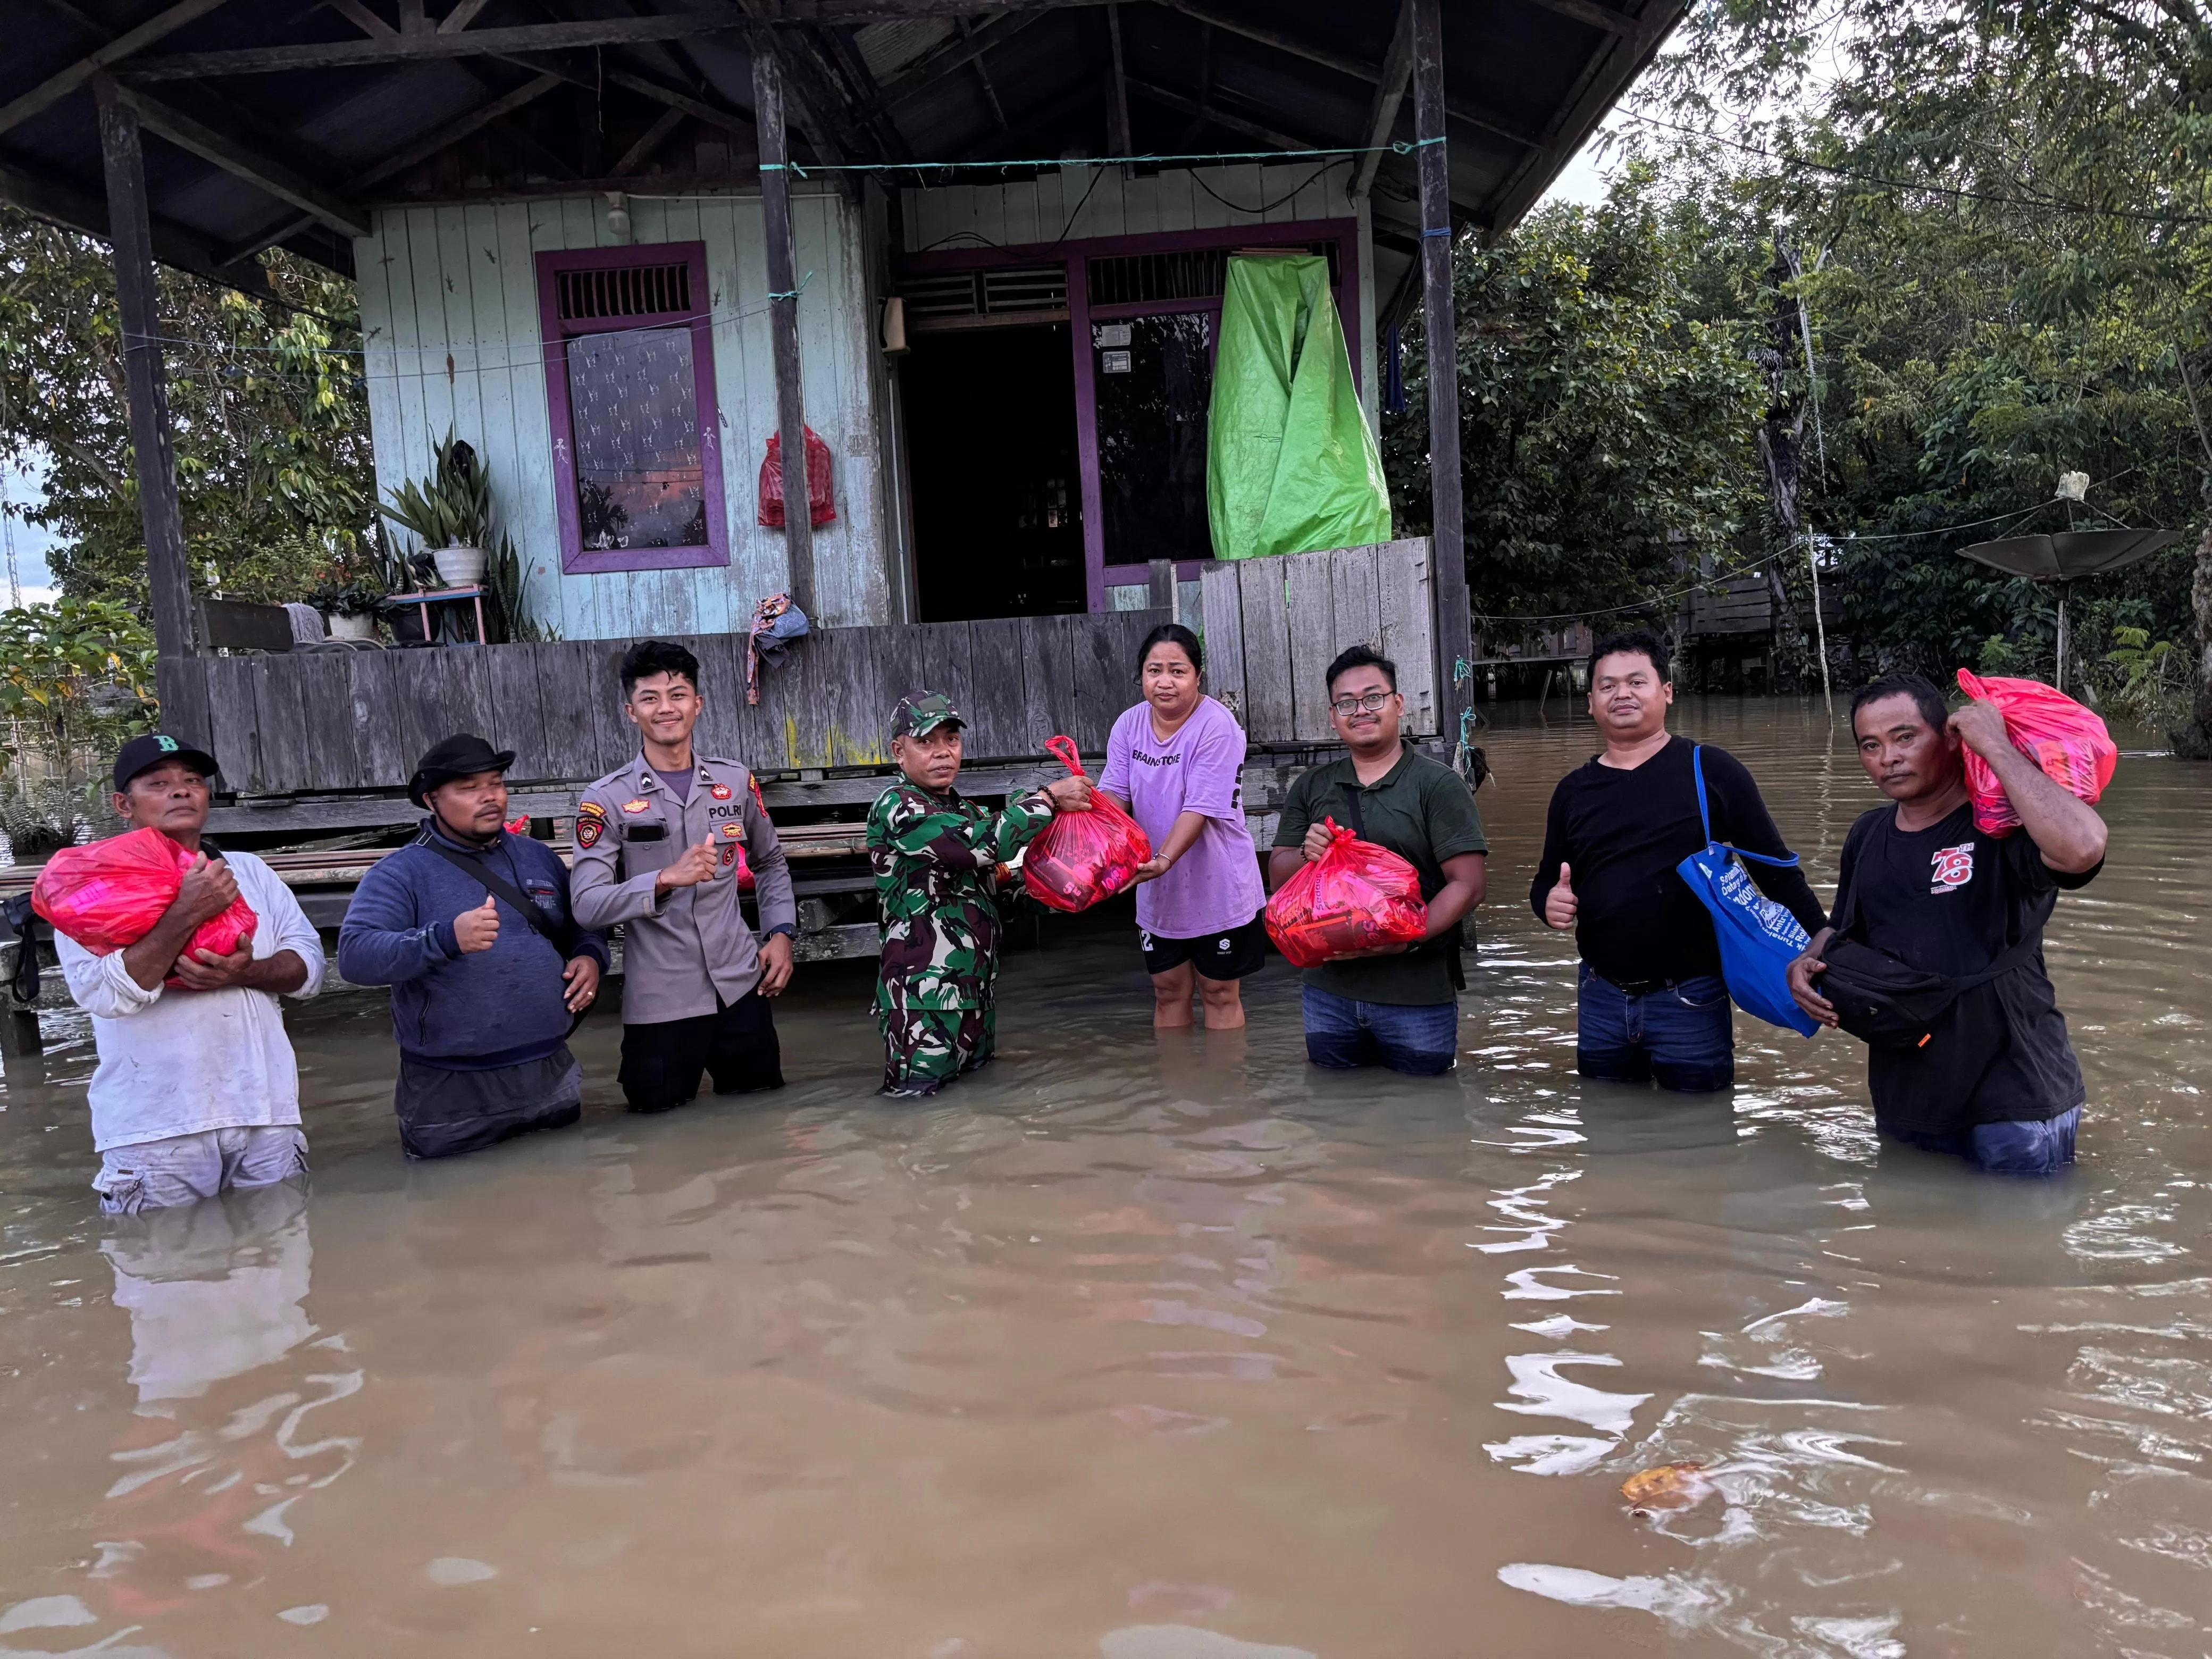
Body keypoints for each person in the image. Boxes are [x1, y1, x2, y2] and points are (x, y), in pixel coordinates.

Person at [1787, 674, 2106, 1175]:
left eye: (1905, 737)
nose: (1888, 757)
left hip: (2014, 1095)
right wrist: (1804, 963)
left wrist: (1995, 745)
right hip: (1906, 1096)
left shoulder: (2003, 825)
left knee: (2025, 1224)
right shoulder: (1868, 834)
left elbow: (2083, 848)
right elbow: (1843, 932)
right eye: (1871, 745)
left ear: (1952, 738)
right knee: (1907, 1223)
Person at [1531, 630, 1825, 1093]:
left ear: (1666, 691)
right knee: (1603, 1119)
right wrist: (1549, 905)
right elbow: (1547, 882)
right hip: (1600, 996)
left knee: (1702, 1121)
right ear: (1590, 703)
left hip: (1692, 997)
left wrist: (1828, 944)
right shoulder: (1572, 791)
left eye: (1636, 682)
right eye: (1607, 686)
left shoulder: (1711, 771)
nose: (1622, 694)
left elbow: (1778, 875)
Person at [56, 734, 325, 1214]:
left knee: (279, 1256)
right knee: (165, 1260)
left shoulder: (249, 871)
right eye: (158, 784)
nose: (181, 791)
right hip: (156, 1131)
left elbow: (309, 968)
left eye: (193, 781)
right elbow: (101, 993)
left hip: (264, 1115)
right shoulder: (91, 885)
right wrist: (187, 911)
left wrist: (245, 972)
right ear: (123, 805)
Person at [338, 734, 609, 1159]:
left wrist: (591, 957)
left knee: (568, 1188)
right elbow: (356, 956)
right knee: (449, 1199)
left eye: (496, 784)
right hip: (451, 1092)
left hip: (551, 1076)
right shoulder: (399, 873)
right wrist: (446, 938)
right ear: (431, 800)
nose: (489, 797)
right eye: (469, 788)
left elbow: (584, 925)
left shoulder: (539, 857)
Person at [571, 640, 796, 1113]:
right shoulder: (605, 799)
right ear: (631, 712)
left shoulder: (734, 781)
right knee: (657, 1137)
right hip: (661, 1002)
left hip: (741, 988)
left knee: (764, 1121)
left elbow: (771, 862)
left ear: (698, 703)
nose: (666, 708)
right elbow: (587, 904)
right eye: (650, 698)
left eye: (677, 695)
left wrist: (780, 934)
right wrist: (663, 880)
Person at [1268, 646, 1488, 1076]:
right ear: (1333, 717)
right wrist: (1308, 854)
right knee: (1332, 1102)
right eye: (1346, 703)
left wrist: (1407, 939)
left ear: (1398, 704)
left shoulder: (1438, 785)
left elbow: (1469, 884)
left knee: (1426, 1106)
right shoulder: (1312, 787)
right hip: (1328, 994)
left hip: (1417, 994)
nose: (1361, 711)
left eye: (1373, 698)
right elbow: (1279, 879)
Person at [867, 691, 1092, 1097]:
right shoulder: (898, 807)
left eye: (951, 739)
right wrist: (1048, 800)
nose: (942, 752)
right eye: (926, 742)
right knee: (915, 1112)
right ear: (899, 752)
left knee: (977, 1104)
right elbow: (979, 844)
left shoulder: (966, 811)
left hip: (974, 996)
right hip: (923, 1001)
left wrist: (1075, 888)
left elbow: (994, 894)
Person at [1097, 623, 1268, 1030]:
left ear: (1198, 676)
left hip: (1219, 886)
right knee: (1167, 991)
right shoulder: (1128, 725)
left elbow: (1200, 808)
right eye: (1154, 670)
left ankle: (1226, 1074)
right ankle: (1175, 1072)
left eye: (1178, 671)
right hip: (1159, 888)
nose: (1165, 682)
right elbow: (1115, 795)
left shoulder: (1218, 726)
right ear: (1141, 676)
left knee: (1219, 992)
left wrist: (1163, 859)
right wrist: (1090, 836)